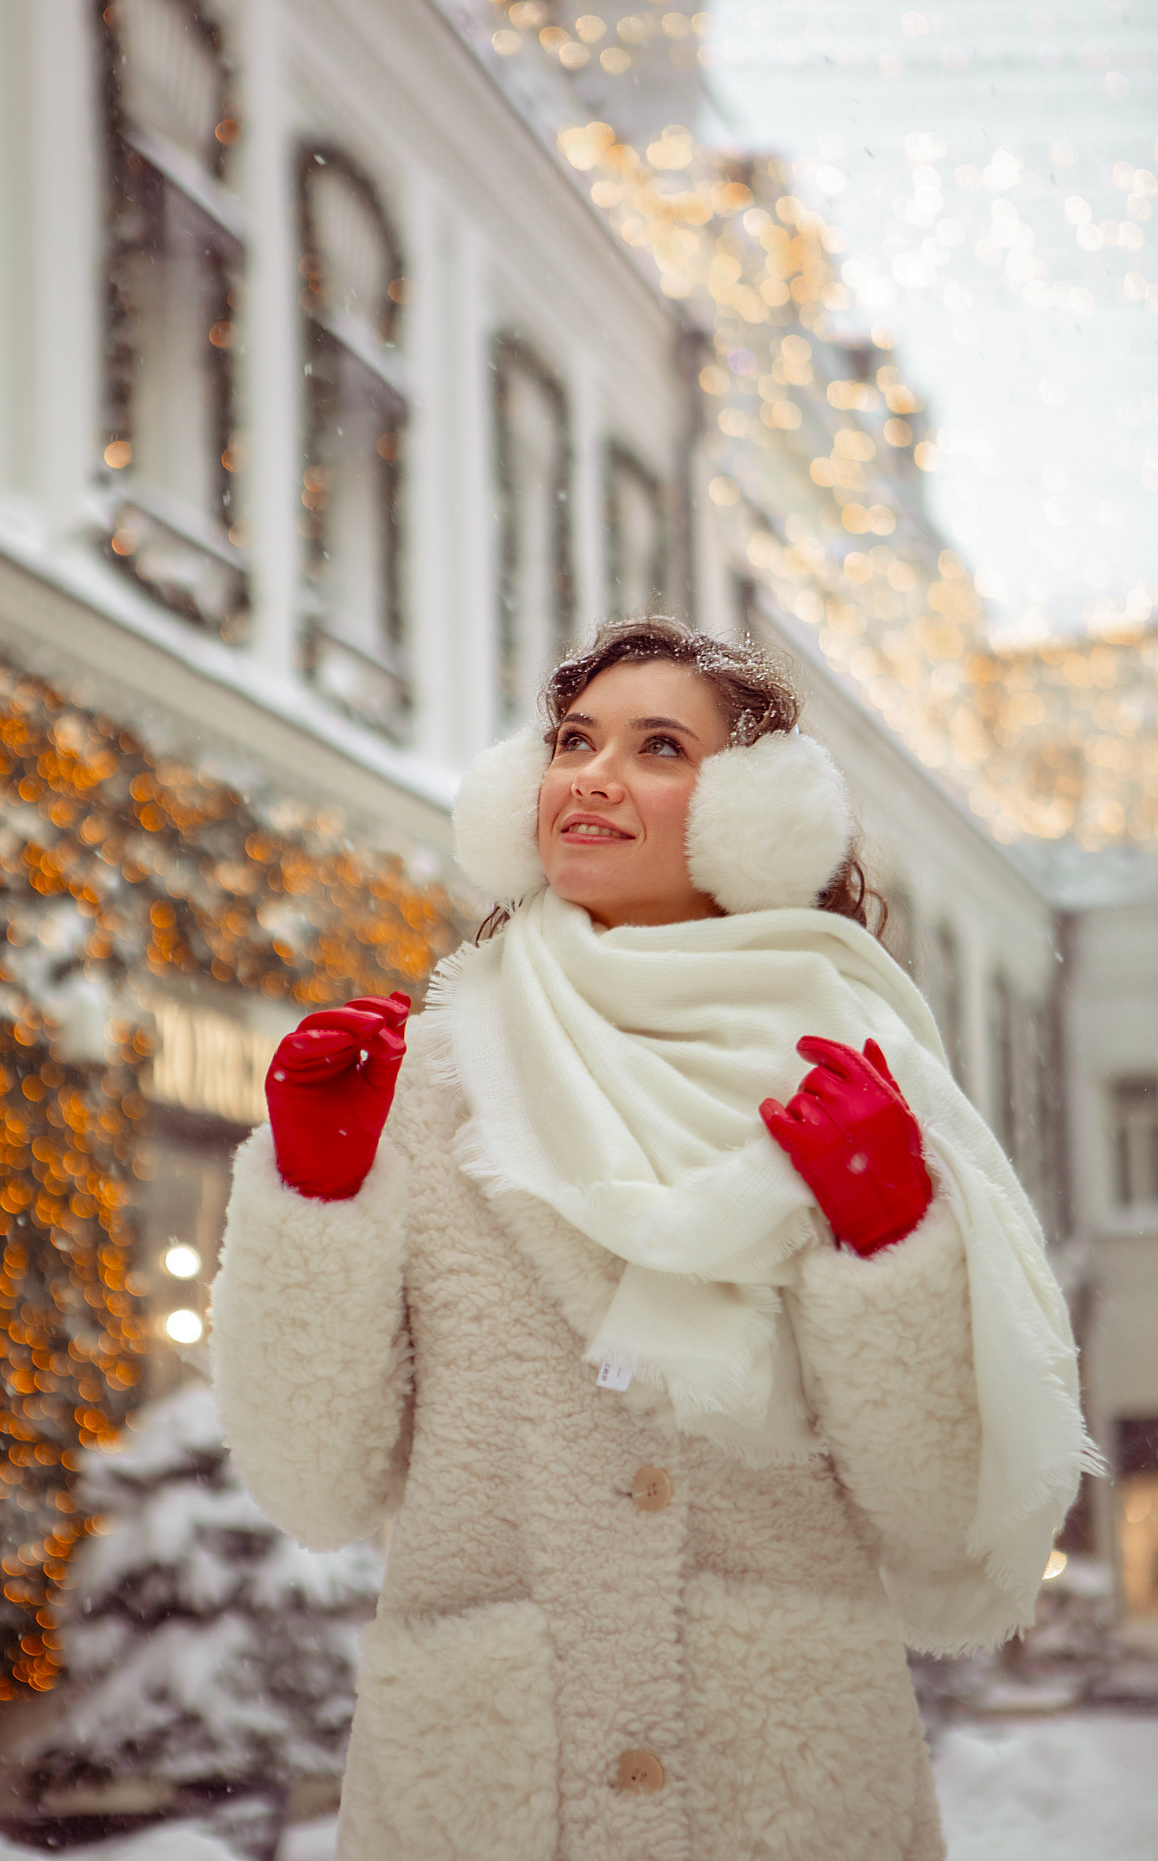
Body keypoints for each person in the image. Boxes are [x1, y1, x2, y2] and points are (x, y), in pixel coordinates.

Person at [211, 617, 1097, 1861]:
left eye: (658, 747)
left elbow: (938, 1514)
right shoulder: (435, 1082)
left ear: (754, 812)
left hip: (779, 1787)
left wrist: (885, 1243)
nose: (590, 775)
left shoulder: (852, 1087)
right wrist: (315, 1192)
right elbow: (313, 1482)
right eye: (572, 740)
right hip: (490, 1790)